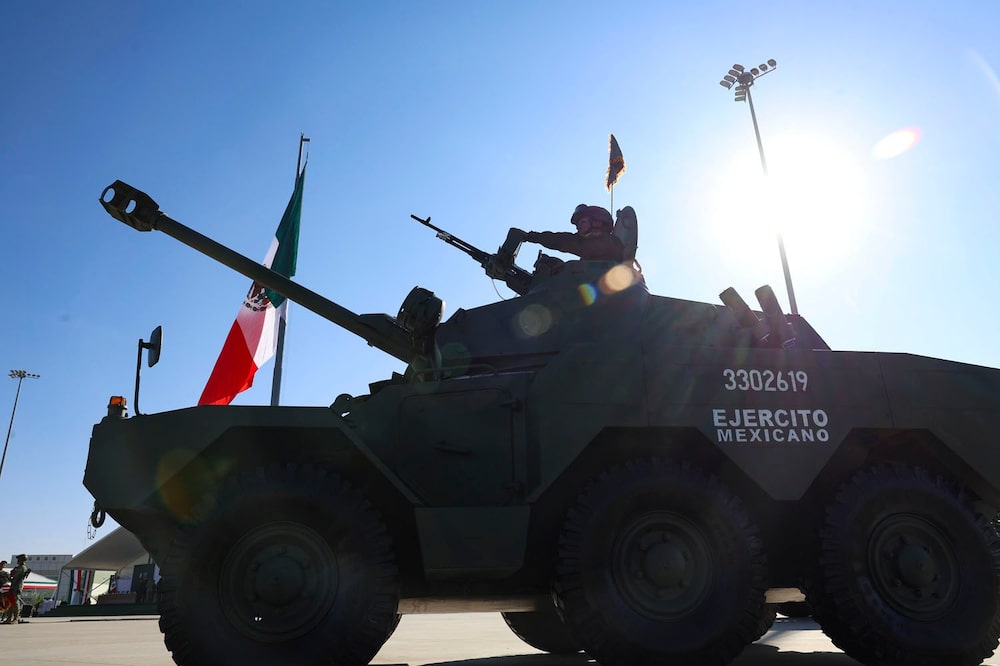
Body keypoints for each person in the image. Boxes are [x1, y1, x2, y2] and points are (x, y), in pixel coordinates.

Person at [511, 204, 624, 262]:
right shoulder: (588, 250)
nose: (578, 227)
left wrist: (531, 237)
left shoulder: (606, 243)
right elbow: (560, 239)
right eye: (577, 225)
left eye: (583, 222)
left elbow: (561, 241)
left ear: (597, 223)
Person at [6, 554, 30, 624]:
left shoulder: (22, 568)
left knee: (15, 602)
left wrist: (12, 576)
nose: (17, 561)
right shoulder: (18, 567)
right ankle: (9, 617)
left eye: (19, 560)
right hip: (13, 586)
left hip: (17, 587)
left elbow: (17, 578)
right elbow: (14, 578)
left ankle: (16, 618)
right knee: (11, 602)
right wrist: (10, 577)